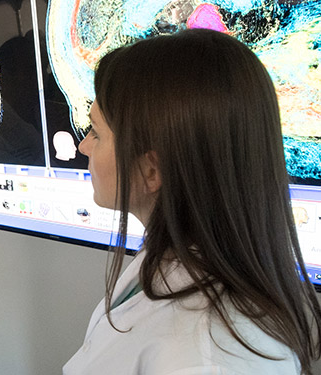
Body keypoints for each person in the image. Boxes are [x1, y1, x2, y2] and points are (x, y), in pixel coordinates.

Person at [64, 29, 321, 374]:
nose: (84, 147)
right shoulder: (176, 254)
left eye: (96, 132)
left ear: (151, 170)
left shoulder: (211, 355)